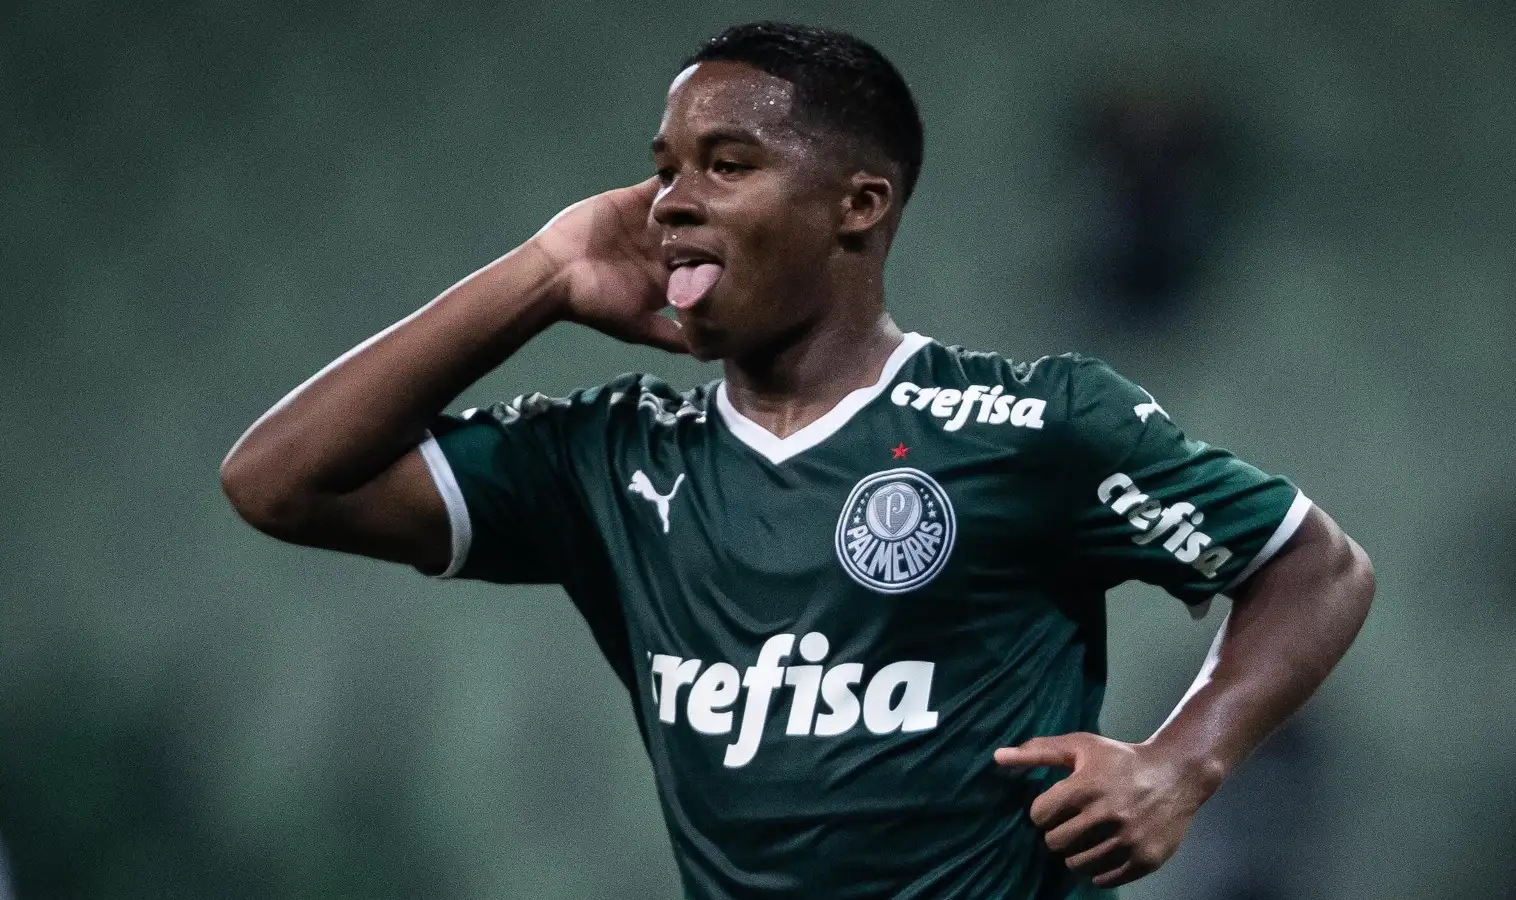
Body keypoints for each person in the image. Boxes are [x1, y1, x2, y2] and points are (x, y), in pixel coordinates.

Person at [221, 22, 1375, 899]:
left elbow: (1314, 568)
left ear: (857, 206)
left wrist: (1181, 765)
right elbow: (279, 481)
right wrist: (546, 266)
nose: (672, 202)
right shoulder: (610, 455)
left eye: (727, 165)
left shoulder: (1035, 424)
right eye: (664, 168)